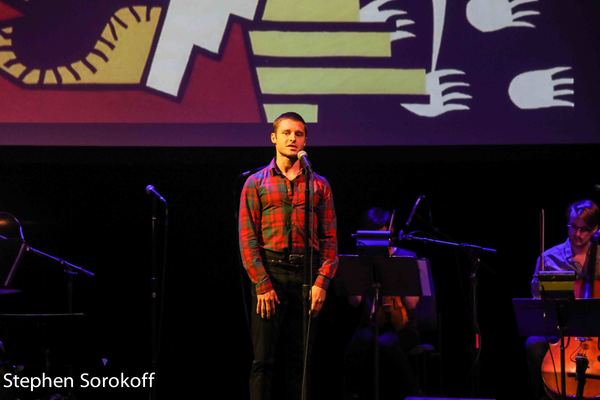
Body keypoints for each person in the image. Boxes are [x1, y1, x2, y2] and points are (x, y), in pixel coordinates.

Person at [238, 112, 338, 400]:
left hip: (307, 277)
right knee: (264, 361)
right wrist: (262, 284)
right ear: (274, 138)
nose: (293, 138)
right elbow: (247, 239)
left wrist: (322, 282)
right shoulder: (256, 183)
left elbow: (330, 239)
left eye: (299, 134)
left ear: (306, 139)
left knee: (301, 362)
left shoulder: (319, 185)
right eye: (286, 133)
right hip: (270, 273)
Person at [526, 199, 600, 400]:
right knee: (533, 346)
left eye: (584, 229)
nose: (577, 234)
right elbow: (537, 301)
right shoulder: (549, 258)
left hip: (596, 332)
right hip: (559, 331)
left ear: (595, 229)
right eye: (573, 227)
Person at [343, 207, 420, 400]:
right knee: (355, 347)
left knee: (388, 344)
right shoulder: (363, 260)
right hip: (372, 322)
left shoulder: (405, 256)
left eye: (383, 228)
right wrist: (353, 278)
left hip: (401, 325)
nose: (379, 234)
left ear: (389, 229)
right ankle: (353, 394)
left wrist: (395, 274)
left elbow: (412, 304)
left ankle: (412, 392)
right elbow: (355, 302)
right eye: (374, 230)